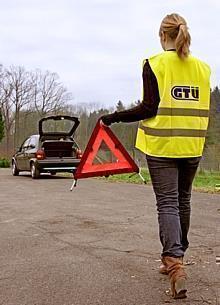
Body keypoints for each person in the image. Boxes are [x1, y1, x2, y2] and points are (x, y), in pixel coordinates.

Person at [100, 13, 211, 299]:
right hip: (193, 147)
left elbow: (149, 108)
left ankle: (174, 264)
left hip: (162, 146)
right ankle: (176, 258)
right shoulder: (203, 69)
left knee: (168, 204)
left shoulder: (155, 63)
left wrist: (112, 118)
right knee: (183, 201)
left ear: (163, 36)